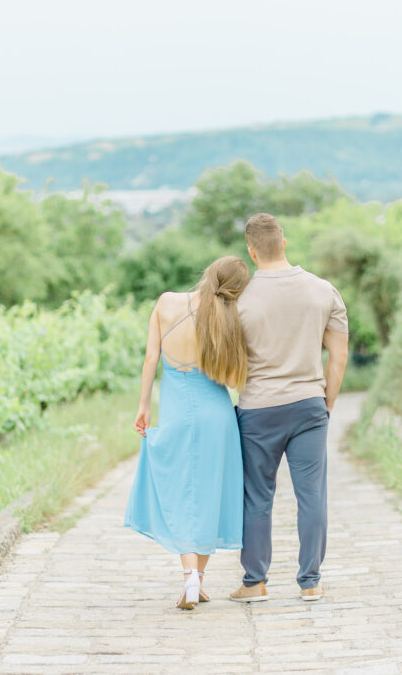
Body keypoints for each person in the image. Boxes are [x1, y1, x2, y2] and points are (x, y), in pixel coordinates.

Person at [228, 213, 349, 603]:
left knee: (257, 497)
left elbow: (231, 367)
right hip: (309, 404)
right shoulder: (323, 290)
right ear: (284, 243)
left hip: (258, 409)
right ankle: (310, 581)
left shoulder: (239, 301)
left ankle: (255, 582)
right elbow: (339, 356)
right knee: (311, 495)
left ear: (251, 251)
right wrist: (325, 402)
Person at [124, 256, 250, 610]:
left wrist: (144, 406)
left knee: (181, 490)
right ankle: (200, 580)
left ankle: (189, 576)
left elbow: (151, 359)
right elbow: (230, 379)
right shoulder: (227, 321)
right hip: (217, 414)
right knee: (211, 493)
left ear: (208, 273)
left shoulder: (165, 302)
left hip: (178, 411)